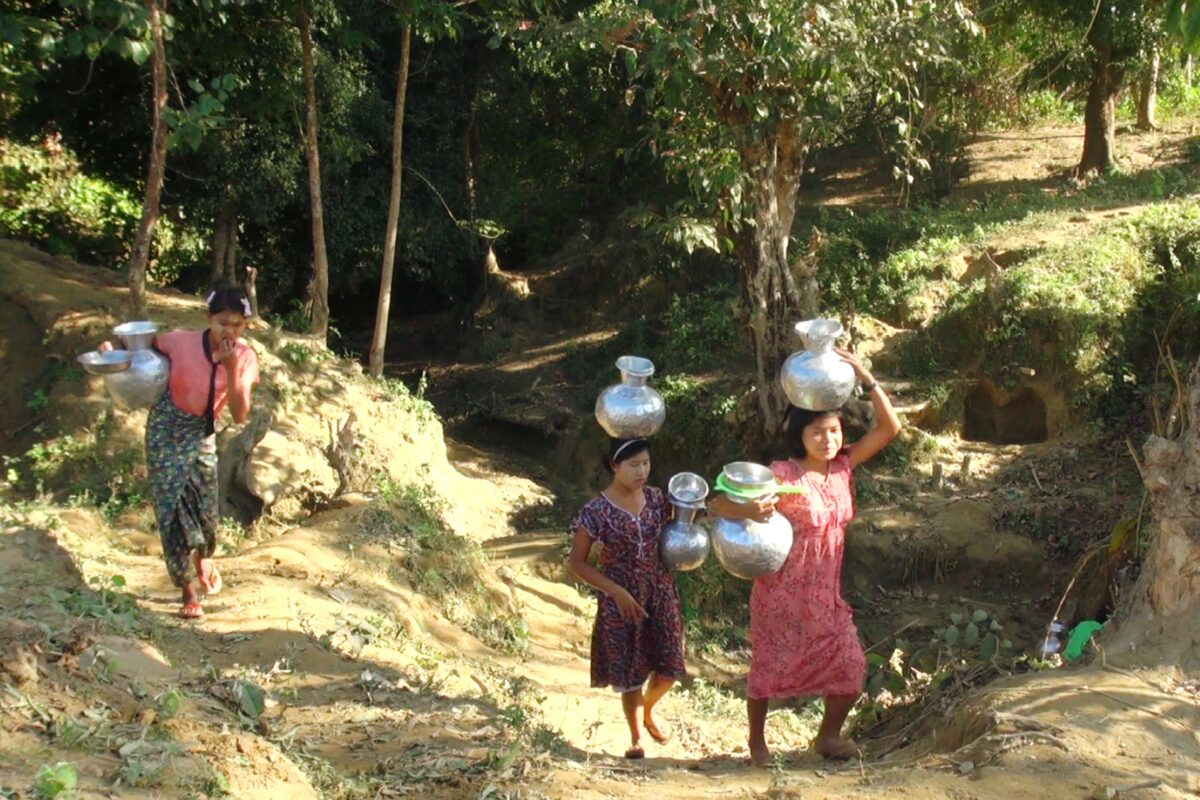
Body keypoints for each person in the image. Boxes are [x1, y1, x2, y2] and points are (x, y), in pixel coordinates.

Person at [710, 348, 901, 765]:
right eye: (817, 432)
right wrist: (749, 510)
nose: (827, 440)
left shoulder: (844, 466)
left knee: (850, 663)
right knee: (768, 667)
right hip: (783, 590)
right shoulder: (781, 474)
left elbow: (890, 427)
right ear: (799, 436)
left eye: (833, 431)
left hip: (826, 593)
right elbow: (718, 504)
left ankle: (828, 738)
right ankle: (757, 743)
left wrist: (866, 378)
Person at [100, 287, 259, 619]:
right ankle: (188, 590)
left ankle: (204, 558)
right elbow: (141, 350)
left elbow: (241, 413)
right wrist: (112, 353)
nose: (229, 331)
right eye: (222, 323)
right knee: (171, 510)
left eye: (237, 325)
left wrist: (230, 369)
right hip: (165, 430)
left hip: (202, 435)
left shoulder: (244, 358)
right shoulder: (179, 342)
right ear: (208, 319)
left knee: (207, 514)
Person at [567, 438, 686, 759]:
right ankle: (636, 738)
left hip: (659, 592)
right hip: (619, 598)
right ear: (614, 466)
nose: (642, 471)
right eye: (633, 465)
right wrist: (615, 591)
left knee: (670, 666)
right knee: (630, 673)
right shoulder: (596, 511)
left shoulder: (658, 499)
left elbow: (685, 527)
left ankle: (647, 710)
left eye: (646, 463)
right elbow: (576, 563)